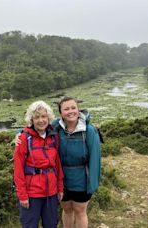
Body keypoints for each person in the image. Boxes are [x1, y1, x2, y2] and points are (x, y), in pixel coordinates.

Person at [13, 100, 64, 228]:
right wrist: (22, 195)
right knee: (30, 225)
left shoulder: (53, 136)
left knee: (51, 224)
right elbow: (18, 169)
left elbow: (57, 164)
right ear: (31, 119)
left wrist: (60, 187)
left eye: (43, 116)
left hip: (51, 191)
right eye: (37, 117)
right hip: (32, 193)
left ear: (48, 118)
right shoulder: (24, 139)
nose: (41, 120)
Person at [52, 96, 101, 228]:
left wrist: (92, 183)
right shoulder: (56, 127)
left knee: (80, 212)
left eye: (73, 108)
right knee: (67, 210)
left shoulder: (89, 130)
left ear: (78, 110)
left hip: (82, 179)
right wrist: (19, 134)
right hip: (62, 179)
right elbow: (36, 128)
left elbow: (95, 159)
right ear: (61, 112)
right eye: (66, 109)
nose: (70, 111)